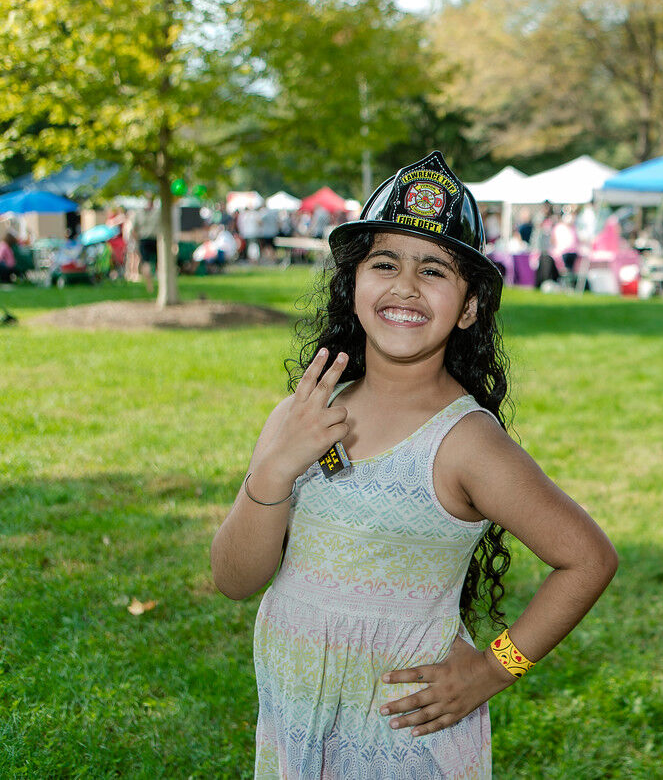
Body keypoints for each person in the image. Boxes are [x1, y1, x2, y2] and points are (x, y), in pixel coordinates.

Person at [211, 152, 617, 778]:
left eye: (434, 271)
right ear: (352, 285)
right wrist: (272, 470)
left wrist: (490, 669)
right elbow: (235, 580)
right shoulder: (298, 418)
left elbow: (588, 558)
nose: (404, 287)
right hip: (299, 733)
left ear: (470, 306)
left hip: (403, 747)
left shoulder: (466, 444)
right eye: (383, 264)